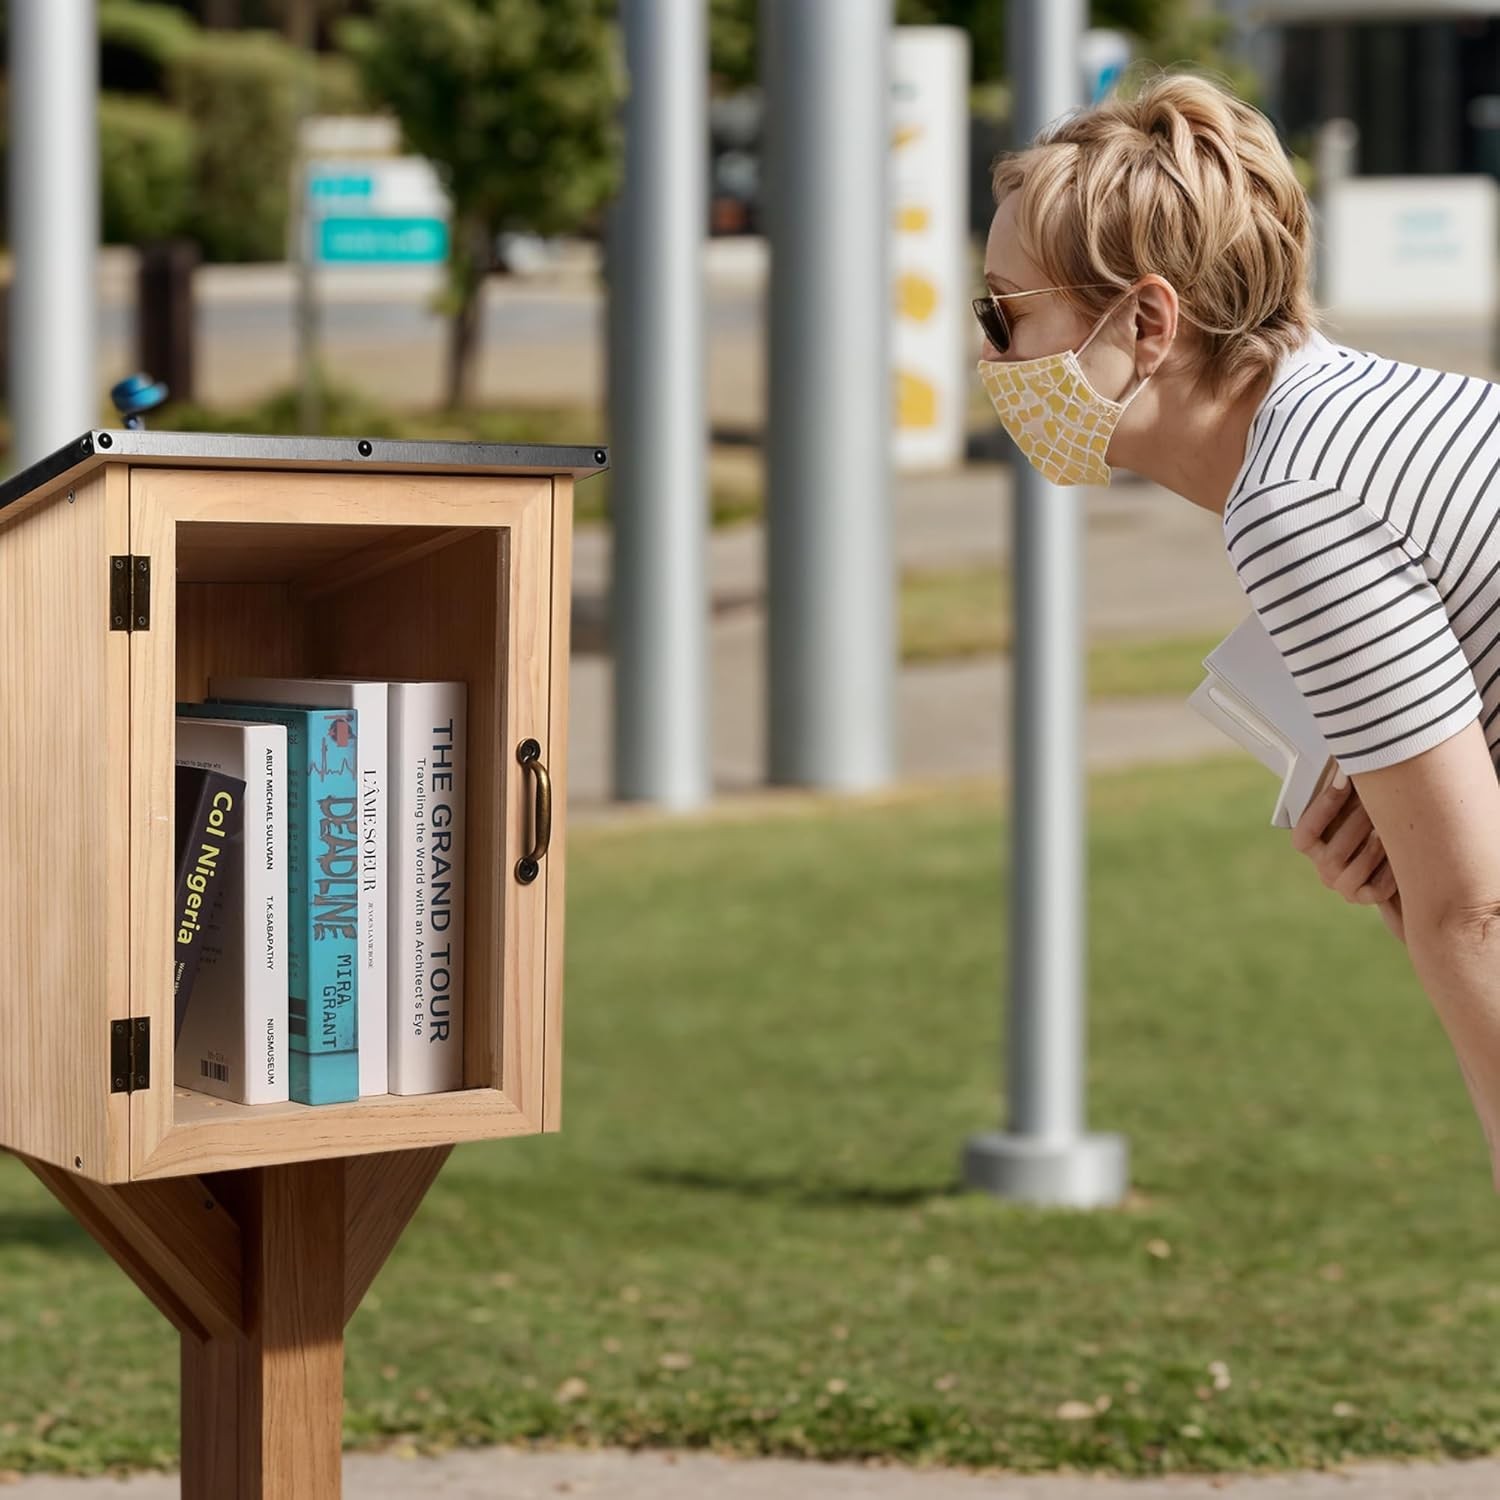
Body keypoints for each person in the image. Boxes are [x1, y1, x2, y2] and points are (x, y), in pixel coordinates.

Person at [976, 69, 1500, 1180]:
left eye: (1004, 314)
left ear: (1149, 320)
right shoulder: (1349, 412)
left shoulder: (1296, 499)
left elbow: (1479, 913)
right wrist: (1402, 880)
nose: (990, 361)